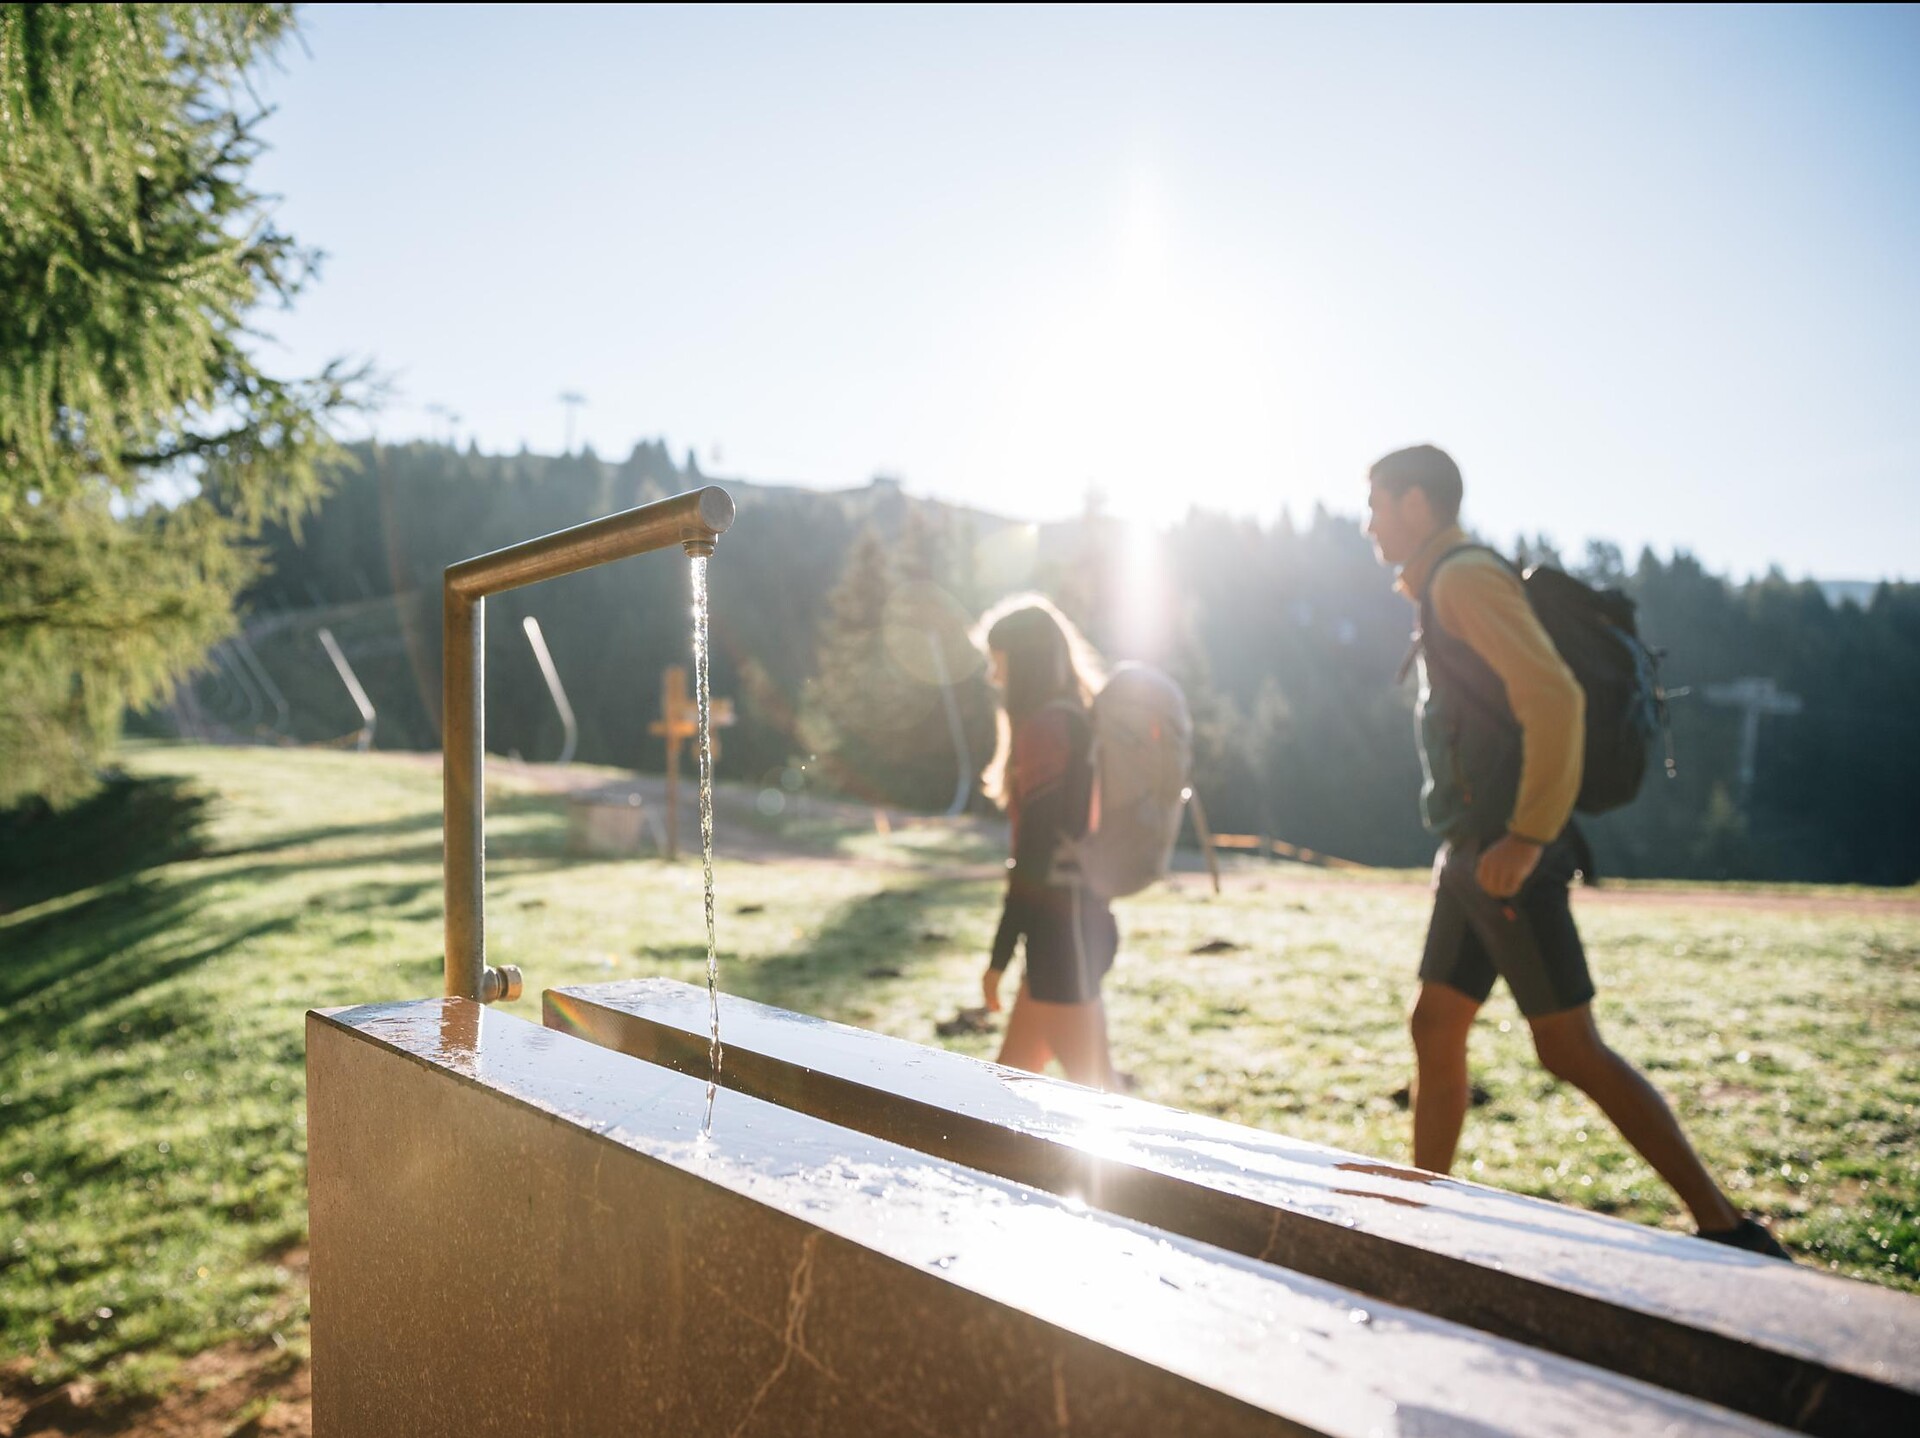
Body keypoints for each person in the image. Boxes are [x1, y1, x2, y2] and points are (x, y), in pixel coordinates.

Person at [1364, 443, 1788, 1258]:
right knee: (1436, 1025)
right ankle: (1420, 1226)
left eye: (1376, 503)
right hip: (1475, 854)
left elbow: (1553, 696)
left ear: (1417, 503)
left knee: (1567, 1047)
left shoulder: (1464, 580)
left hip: (1509, 854)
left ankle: (1727, 1227)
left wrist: (1524, 837)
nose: (1368, 523)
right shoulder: (1445, 584)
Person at [974, 597, 1117, 1088]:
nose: (994, 678)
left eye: (999, 661)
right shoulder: (1075, 720)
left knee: (1104, 1106)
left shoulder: (1046, 732)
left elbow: (1033, 860)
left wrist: (997, 960)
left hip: (1062, 940)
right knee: (1009, 1088)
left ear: (1024, 660)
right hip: (1074, 928)